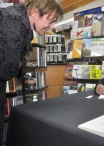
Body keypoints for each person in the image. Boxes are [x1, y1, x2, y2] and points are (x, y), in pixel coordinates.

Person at [0, 0, 63, 144]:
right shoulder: (14, 20)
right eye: (51, 20)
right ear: (35, 12)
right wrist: (18, 64)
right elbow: (7, 68)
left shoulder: (16, 20)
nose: (52, 26)